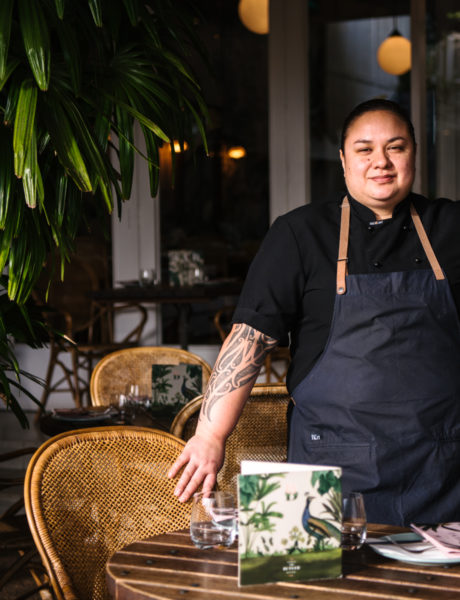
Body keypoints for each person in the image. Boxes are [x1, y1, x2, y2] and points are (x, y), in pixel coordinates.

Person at [168, 98, 460, 526]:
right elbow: (251, 336)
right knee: (305, 572)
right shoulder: (299, 233)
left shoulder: (451, 225)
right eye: (364, 149)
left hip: (442, 468)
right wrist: (210, 435)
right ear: (343, 160)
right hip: (322, 472)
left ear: (414, 154)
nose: (381, 161)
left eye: (396, 147)